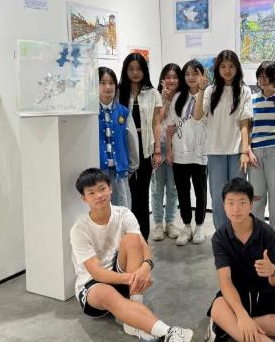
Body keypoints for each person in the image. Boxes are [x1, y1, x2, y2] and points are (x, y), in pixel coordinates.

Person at [70, 168, 193, 341]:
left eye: (102, 189)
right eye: (91, 193)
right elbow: (96, 273)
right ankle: (169, 332)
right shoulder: (79, 229)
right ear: (84, 198)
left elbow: (143, 246)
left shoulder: (123, 213)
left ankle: (132, 319)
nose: (98, 195)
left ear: (110, 188)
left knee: (132, 239)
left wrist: (145, 268)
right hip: (93, 286)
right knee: (107, 293)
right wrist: (134, 278)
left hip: (122, 277)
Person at [206, 178, 275, 342]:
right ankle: (247, 330)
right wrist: (241, 314)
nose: (236, 209)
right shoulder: (220, 238)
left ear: (251, 204)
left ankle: (229, 326)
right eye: (231, 203)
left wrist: (273, 271)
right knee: (218, 307)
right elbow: (225, 281)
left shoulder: (267, 233)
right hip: (238, 294)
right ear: (224, 205)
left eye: (242, 202)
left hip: (268, 293)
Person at [193, 50, 253, 230]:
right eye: (223, 66)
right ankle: (222, 235)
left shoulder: (244, 90)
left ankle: (238, 234)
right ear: (217, 69)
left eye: (231, 66)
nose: (227, 70)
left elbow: (244, 123)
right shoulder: (210, 91)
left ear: (237, 68)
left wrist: (245, 151)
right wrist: (201, 90)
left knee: (238, 197)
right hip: (215, 152)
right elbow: (197, 115)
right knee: (219, 198)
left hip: (237, 152)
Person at [119, 53, 162, 241]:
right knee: (127, 193)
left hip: (146, 148)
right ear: (125, 70)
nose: (135, 73)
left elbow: (156, 123)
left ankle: (143, 237)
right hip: (124, 148)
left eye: (139, 69)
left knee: (142, 193)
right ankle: (128, 236)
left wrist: (157, 150)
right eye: (131, 69)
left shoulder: (152, 93)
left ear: (144, 71)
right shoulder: (119, 92)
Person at [165, 60, 208, 245]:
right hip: (180, 153)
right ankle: (187, 226)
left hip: (200, 153)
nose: (191, 77)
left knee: (200, 191)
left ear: (202, 75)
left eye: (195, 73)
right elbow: (170, 126)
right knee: (183, 192)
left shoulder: (208, 94)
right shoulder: (178, 97)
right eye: (187, 74)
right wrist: (169, 150)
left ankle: (200, 226)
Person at [248, 61, 275, 235]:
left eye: (267, 76)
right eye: (260, 76)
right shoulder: (252, 99)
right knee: (257, 196)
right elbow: (248, 128)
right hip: (255, 152)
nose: (263, 79)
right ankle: (257, 234)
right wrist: (248, 151)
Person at [98, 67, 139, 209]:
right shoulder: (90, 114)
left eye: (111, 83)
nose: (108, 87)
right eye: (103, 83)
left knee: (122, 209)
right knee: (101, 209)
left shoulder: (123, 112)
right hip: (98, 171)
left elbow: (132, 140)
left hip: (120, 170)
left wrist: (133, 165)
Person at [150, 63, 182, 241]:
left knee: (173, 187)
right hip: (158, 147)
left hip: (175, 148)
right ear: (162, 79)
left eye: (175, 77)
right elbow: (158, 120)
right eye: (168, 77)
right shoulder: (156, 96)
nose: (171, 80)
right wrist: (164, 99)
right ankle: (157, 224)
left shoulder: (183, 97)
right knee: (157, 188)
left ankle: (170, 222)